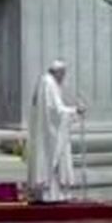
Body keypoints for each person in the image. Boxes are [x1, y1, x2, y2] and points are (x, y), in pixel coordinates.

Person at [27, 60, 83, 203]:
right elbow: (56, 112)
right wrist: (75, 111)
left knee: (46, 158)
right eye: (63, 74)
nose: (63, 78)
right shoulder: (50, 84)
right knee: (53, 159)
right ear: (58, 72)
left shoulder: (43, 82)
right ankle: (53, 195)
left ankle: (46, 194)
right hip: (51, 134)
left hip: (44, 133)